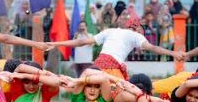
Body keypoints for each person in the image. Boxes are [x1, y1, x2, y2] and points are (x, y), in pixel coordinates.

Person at [53, 18, 181, 80]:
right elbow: (152, 47)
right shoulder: (136, 35)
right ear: (138, 29)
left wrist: (56, 43)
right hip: (112, 69)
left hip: (97, 65)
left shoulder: (110, 30)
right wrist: (173, 53)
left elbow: (81, 41)